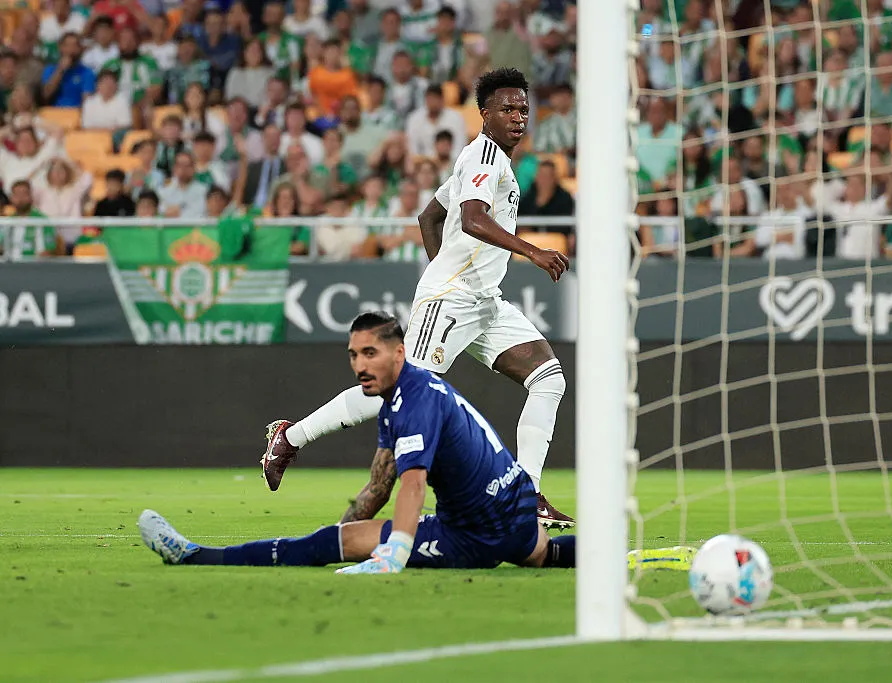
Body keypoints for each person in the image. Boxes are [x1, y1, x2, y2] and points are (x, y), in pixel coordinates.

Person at [262, 68, 575, 528]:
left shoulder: (486, 161)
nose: (518, 117)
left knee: (548, 378)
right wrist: (527, 252)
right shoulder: (484, 157)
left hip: (485, 301)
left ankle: (525, 496)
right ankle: (290, 438)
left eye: (523, 109)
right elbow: (472, 218)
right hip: (453, 299)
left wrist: (443, 266)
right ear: (484, 114)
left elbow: (429, 217)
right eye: (507, 109)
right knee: (394, 392)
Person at [140, 312, 577, 572]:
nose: (360, 366)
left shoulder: (415, 401)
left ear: (400, 353)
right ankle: (604, 551)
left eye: (371, 354)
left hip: (475, 532)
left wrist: (393, 552)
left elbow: (412, 484)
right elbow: (378, 488)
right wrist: (344, 535)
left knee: (323, 545)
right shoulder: (400, 399)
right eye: (354, 355)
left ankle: (195, 557)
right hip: (516, 513)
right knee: (546, 555)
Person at [405, 83, 466, 158]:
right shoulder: (414, 119)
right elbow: (412, 148)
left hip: (450, 161)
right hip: (424, 162)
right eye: (430, 99)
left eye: (436, 98)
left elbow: (460, 145)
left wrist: (449, 162)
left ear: (442, 100)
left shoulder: (455, 118)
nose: (433, 102)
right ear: (425, 100)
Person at [4, 180, 59, 260]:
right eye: (17, 195)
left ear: (31, 197)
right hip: (9, 265)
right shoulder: (7, 222)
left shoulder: (43, 221)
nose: (21, 199)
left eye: (24, 194)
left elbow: (49, 249)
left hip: (36, 265)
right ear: (11, 198)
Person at [42, 33, 96, 109]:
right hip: (54, 112)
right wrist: (60, 70)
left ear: (80, 49)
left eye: (74, 46)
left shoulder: (87, 72)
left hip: (76, 112)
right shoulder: (50, 69)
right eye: (67, 45)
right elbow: (46, 94)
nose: (71, 49)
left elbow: (87, 101)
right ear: (60, 48)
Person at [157, 150, 208, 218]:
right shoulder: (164, 191)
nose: (183, 169)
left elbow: (201, 213)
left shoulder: (204, 191)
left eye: (187, 165)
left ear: (194, 168)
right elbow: (160, 211)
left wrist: (179, 213)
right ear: (174, 168)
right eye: (180, 165)